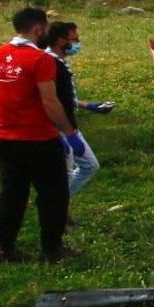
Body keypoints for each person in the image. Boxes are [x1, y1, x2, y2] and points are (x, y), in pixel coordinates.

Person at [0, 7, 85, 263]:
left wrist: (1, 124)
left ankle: (3, 249)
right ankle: (52, 249)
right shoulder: (41, 60)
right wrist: (70, 133)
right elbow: (50, 102)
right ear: (38, 28)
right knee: (53, 193)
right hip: (39, 138)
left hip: (4, 138)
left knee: (12, 195)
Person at [42, 21, 99, 213]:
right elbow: (50, 101)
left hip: (67, 126)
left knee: (88, 165)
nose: (78, 43)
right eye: (74, 40)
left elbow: (66, 98)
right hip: (60, 127)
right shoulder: (49, 64)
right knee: (66, 173)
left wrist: (89, 106)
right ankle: (57, 213)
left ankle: (59, 207)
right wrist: (65, 134)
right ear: (60, 41)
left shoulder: (60, 62)